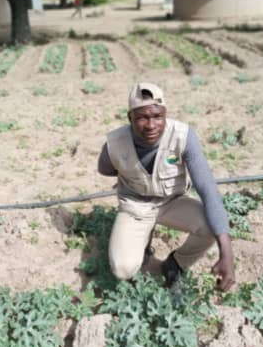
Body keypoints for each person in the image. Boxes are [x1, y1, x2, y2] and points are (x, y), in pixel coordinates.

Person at [97, 80, 235, 293]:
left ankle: (176, 264)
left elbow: (207, 189)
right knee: (123, 269)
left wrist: (227, 253)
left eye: (157, 116)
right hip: (136, 206)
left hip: (172, 201)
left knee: (211, 227)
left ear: (165, 114)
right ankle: (142, 244)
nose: (151, 125)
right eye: (142, 117)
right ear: (130, 118)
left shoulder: (183, 136)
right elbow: (105, 168)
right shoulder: (115, 143)